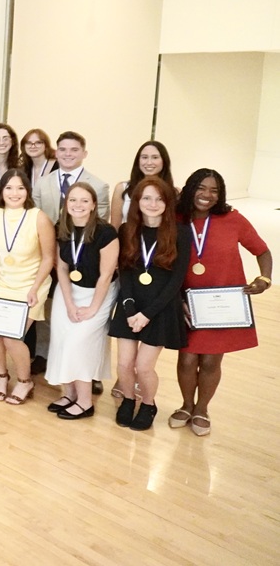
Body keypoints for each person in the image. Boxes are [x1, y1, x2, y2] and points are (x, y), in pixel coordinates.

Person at [172, 169, 272, 436]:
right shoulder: (177, 218)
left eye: (214, 190)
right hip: (188, 303)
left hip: (223, 307)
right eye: (201, 188)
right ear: (190, 188)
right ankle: (185, 405)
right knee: (187, 359)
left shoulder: (233, 219)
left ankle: (202, 409)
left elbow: (262, 250)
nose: (207, 195)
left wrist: (264, 279)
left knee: (211, 362)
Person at [109, 177, 189, 431]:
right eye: (146, 198)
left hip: (161, 308)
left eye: (159, 199)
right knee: (123, 364)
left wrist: (147, 314)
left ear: (168, 203)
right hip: (131, 305)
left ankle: (148, 404)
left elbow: (176, 280)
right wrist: (131, 309)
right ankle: (128, 400)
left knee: (143, 367)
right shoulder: (127, 230)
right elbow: (126, 272)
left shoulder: (181, 233)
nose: (152, 204)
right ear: (137, 202)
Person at [0, 169, 55, 404]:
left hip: (31, 284)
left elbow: (48, 258)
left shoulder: (38, 217)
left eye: (20, 188)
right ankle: (2, 376)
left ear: (28, 191)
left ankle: (25, 381)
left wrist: (34, 289)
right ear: (1, 191)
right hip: (3, 281)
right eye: (9, 188)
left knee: (13, 337)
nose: (14, 193)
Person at [44, 183, 118, 420]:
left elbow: (106, 275)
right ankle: (69, 394)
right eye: (73, 200)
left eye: (85, 201)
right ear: (66, 204)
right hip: (70, 290)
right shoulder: (61, 228)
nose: (78, 205)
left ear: (94, 205)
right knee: (61, 339)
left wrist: (93, 308)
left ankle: (85, 402)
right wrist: (69, 304)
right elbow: (63, 268)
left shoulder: (106, 233)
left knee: (79, 343)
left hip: (99, 291)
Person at [32, 131, 109, 224]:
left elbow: (100, 225)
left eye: (74, 150)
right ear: (56, 153)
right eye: (62, 149)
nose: (68, 154)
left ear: (84, 154)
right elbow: (34, 218)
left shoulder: (99, 186)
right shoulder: (41, 183)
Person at [110, 141, 175, 228]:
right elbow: (115, 226)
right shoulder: (122, 188)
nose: (149, 162)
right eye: (144, 157)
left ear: (164, 161)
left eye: (155, 157)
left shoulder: (174, 191)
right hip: (127, 239)